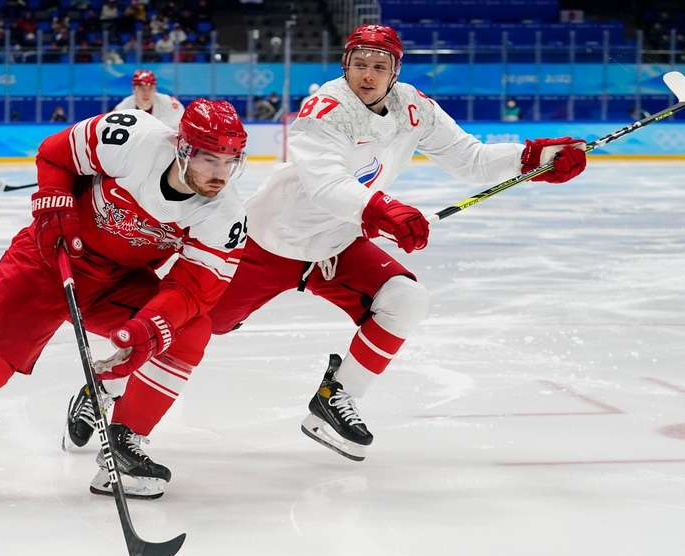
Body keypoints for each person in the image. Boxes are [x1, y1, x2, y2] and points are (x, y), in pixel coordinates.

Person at [206, 24, 588, 462]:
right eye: (359, 64)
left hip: (336, 245)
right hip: (269, 242)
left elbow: (470, 158)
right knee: (201, 324)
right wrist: (383, 210)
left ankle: (336, 396)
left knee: (405, 300)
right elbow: (325, 185)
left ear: (395, 70)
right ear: (345, 65)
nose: (368, 75)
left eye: (379, 66)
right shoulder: (325, 108)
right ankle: (115, 379)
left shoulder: (413, 107)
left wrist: (534, 158)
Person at [0, 98, 249, 506]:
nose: (220, 175)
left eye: (230, 162)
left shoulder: (226, 214)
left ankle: (125, 448)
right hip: (47, 261)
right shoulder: (131, 139)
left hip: (116, 282)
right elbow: (55, 154)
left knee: (188, 330)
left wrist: (148, 328)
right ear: (183, 149)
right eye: (210, 160)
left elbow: (195, 288)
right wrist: (56, 207)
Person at [114, 69, 184, 129]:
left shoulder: (170, 103)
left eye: (150, 88)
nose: (146, 92)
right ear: (134, 89)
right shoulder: (123, 108)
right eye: (141, 88)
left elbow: (178, 128)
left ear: (155, 89)